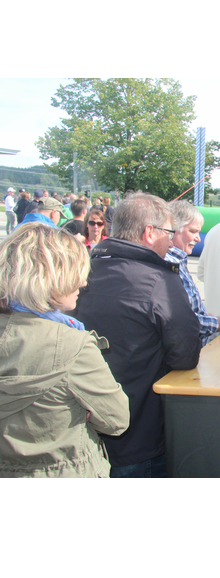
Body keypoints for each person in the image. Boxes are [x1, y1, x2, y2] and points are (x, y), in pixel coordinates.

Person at [72, 192, 202, 478]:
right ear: (149, 233)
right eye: (169, 233)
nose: (171, 241)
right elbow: (186, 355)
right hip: (140, 437)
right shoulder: (159, 281)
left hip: (83, 437)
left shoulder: (80, 271)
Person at [0, 223, 129, 477]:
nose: (83, 283)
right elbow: (116, 420)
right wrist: (82, 411)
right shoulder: (73, 345)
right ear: (51, 278)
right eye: (76, 274)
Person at [165, 201, 220, 346]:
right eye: (193, 231)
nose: (198, 239)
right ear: (171, 230)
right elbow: (177, 320)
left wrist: (206, 318)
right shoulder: (168, 264)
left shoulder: (178, 261)